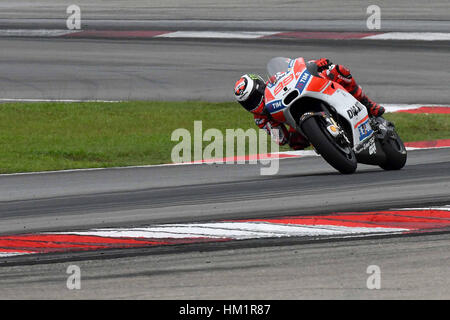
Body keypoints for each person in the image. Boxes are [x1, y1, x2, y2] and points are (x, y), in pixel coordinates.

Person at [233, 58, 385, 150]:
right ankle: (324, 141)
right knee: (296, 143)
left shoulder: (276, 79)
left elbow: (297, 69)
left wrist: (318, 64)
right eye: (248, 103)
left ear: (261, 87)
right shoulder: (260, 119)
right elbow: (281, 139)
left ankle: (367, 104)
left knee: (338, 71)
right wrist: (279, 133)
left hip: (307, 91)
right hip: (296, 121)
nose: (253, 105)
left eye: (254, 98)